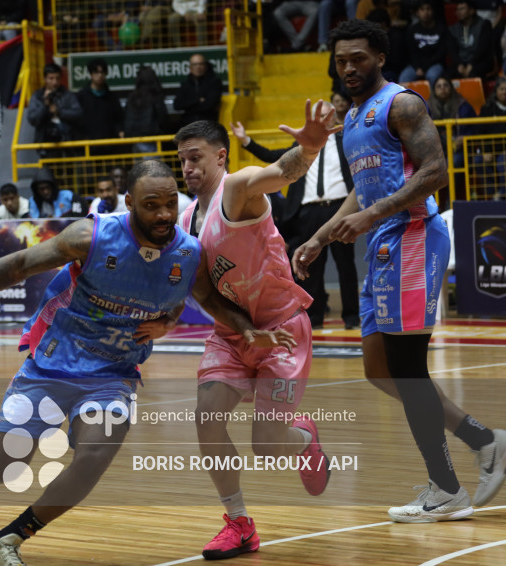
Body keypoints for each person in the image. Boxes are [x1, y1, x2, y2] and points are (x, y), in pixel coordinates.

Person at [0, 160, 294, 566]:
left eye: (170, 203)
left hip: (113, 375)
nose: (165, 213)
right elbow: (20, 265)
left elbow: (204, 297)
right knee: (12, 460)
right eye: (152, 205)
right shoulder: (89, 236)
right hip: (51, 365)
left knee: (96, 454)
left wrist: (243, 328)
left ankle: (5, 541)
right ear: (129, 202)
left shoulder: (187, 251)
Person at [294, 18, 506, 523]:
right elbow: (361, 193)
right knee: (380, 369)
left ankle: (446, 487)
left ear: (380, 57)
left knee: (408, 369)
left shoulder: (402, 103)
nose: (349, 67)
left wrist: (373, 214)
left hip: (412, 235)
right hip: (383, 243)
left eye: (358, 58)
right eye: (341, 60)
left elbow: (436, 171)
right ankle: (486, 442)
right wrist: (321, 235)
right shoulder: (350, 120)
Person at [174, 103, 341, 558]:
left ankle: (304, 439)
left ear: (221, 157)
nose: (187, 167)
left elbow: (282, 171)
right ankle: (239, 523)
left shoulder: (238, 188)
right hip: (232, 334)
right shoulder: (186, 220)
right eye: (182, 160)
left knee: (267, 447)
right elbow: (199, 289)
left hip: (282, 329)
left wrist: (307, 148)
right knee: (207, 420)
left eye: (196, 157)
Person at [231, 106, 360, 330]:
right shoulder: (300, 147)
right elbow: (273, 158)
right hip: (308, 211)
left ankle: (351, 318)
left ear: (334, 119)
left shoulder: (346, 143)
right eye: (318, 116)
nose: (321, 119)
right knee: (311, 266)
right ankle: (314, 317)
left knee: (346, 265)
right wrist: (246, 141)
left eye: (326, 115)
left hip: (339, 208)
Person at [27, 63, 83, 158]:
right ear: (45, 79)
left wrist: (59, 112)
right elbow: (32, 119)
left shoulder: (67, 95)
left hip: (67, 144)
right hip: (45, 145)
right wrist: (45, 106)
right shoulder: (38, 96)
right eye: (51, 78)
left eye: (57, 78)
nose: (55, 82)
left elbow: (78, 113)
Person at [75, 57, 124, 155]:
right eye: (96, 72)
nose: (100, 75)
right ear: (91, 74)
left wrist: (120, 132)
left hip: (109, 148)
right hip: (88, 149)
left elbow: (118, 119)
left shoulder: (112, 97)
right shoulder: (81, 96)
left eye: (102, 72)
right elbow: (76, 120)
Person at [428, 75, 478, 168]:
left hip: (460, 149)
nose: (442, 88)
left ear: (451, 88)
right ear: (434, 90)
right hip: (436, 149)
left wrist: (464, 138)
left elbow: (476, 127)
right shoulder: (428, 108)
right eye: (439, 86)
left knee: (453, 162)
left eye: (445, 85)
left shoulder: (463, 105)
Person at [398, 1, 447, 88]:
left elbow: (440, 54)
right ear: (417, 12)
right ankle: (405, 101)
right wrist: (417, 67)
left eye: (428, 9)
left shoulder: (441, 29)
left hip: (434, 64)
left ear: (433, 11)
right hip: (416, 65)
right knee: (404, 78)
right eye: (422, 9)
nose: (425, 12)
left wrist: (424, 67)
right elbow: (411, 52)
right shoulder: (412, 30)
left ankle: (433, 101)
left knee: (432, 76)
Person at [123, 66, 168, 155]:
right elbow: (163, 118)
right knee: (152, 168)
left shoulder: (132, 96)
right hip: (151, 139)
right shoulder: (155, 96)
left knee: (138, 168)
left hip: (135, 140)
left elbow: (126, 118)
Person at [448, 0, 494, 80]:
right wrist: (459, 64)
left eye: (462, 9)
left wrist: (472, 64)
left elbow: (482, 48)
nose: (459, 12)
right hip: (461, 62)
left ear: (472, 11)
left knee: (474, 73)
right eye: (457, 9)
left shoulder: (484, 24)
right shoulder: (452, 29)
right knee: (448, 74)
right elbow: (452, 50)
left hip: (480, 61)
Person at [173, 53, 223, 127]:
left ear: (205, 66)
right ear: (190, 67)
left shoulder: (214, 82)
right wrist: (198, 100)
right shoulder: (185, 84)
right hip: (188, 125)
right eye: (195, 64)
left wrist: (189, 106)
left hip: (208, 125)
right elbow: (177, 105)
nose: (198, 67)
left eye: (201, 64)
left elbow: (209, 105)